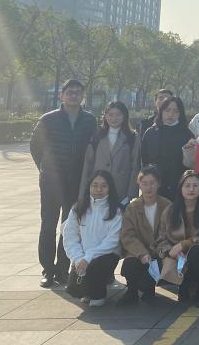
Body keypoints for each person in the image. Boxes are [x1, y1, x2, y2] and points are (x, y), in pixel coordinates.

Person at [30, 78, 96, 288]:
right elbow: (35, 147)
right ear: (62, 95)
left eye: (78, 92)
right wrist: (45, 168)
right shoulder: (48, 119)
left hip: (76, 182)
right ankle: (48, 270)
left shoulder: (89, 120)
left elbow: (92, 148)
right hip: (51, 182)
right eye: (70, 92)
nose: (73, 96)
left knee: (69, 227)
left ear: (82, 96)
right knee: (48, 225)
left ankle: (63, 269)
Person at [156, 170, 199, 307]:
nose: (191, 189)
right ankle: (184, 284)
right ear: (180, 188)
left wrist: (187, 243)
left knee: (196, 251)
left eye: (195, 185)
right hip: (177, 257)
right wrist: (171, 251)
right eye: (187, 186)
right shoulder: (170, 211)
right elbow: (161, 240)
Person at [61, 169, 122, 306]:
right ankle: (89, 291)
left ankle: (98, 294)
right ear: (89, 186)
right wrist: (78, 259)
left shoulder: (115, 211)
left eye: (104, 186)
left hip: (106, 256)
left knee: (96, 269)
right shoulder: (78, 208)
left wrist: (89, 257)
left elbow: (112, 241)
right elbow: (70, 237)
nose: (99, 189)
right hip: (83, 256)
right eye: (95, 185)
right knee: (74, 290)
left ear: (110, 188)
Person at [117, 166, 170, 305]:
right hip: (139, 253)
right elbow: (128, 235)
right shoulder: (132, 208)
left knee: (148, 280)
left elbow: (171, 233)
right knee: (130, 265)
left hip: (160, 252)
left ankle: (149, 290)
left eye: (152, 183)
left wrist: (158, 251)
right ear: (139, 184)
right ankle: (131, 292)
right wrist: (142, 253)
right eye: (144, 183)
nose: (148, 187)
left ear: (158, 184)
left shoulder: (167, 205)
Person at [80, 100, 140, 208]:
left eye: (118, 115)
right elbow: (88, 164)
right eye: (110, 114)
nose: (114, 118)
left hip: (120, 190)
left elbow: (135, 167)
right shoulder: (97, 136)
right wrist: (83, 192)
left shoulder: (132, 137)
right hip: (98, 188)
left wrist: (130, 195)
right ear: (105, 116)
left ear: (124, 116)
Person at [140, 96, 195, 202]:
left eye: (175, 111)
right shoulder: (151, 133)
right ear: (161, 111)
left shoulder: (186, 134)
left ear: (180, 113)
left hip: (179, 184)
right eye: (167, 110)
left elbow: (191, 165)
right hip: (155, 184)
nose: (171, 114)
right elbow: (144, 160)